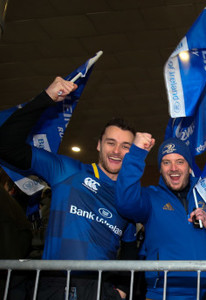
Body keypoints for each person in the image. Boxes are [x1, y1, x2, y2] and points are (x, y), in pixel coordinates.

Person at [0, 76, 136, 299]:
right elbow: (6, 144)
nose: (116, 151)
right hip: (56, 285)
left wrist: (123, 289)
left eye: (125, 146)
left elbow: (130, 246)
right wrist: (46, 98)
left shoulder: (128, 198)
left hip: (101, 289)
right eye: (111, 142)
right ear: (99, 144)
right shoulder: (67, 170)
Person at [116, 134, 206, 299]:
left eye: (180, 161)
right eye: (166, 162)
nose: (173, 168)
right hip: (162, 294)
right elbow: (125, 203)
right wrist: (136, 154)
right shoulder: (150, 197)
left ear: (189, 166)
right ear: (160, 169)